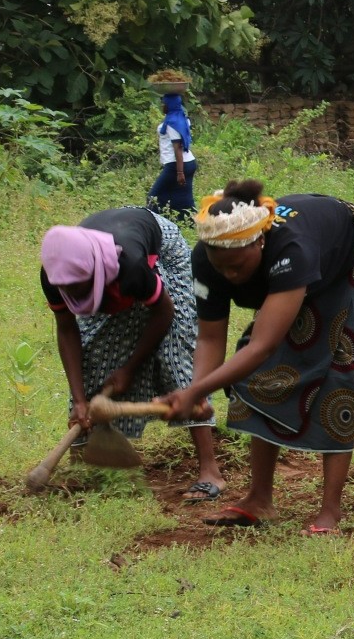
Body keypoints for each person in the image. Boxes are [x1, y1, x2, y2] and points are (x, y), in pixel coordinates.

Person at [158, 181, 354, 534]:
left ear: (260, 242)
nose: (230, 275)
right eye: (223, 268)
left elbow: (263, 345)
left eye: (237, 266)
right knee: (261, 375)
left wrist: (192, 393)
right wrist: (199, 391)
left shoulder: (290, 250)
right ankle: (259, 500)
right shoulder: (207, 260)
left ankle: (330, 511)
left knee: (342, 373)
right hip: (308, 270)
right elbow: (209, 337)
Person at [41, 206, 224, 501]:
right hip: (108, 256)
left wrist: (129, 368)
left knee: (174, 352)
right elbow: (67, 330)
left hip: (159, 248)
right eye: (68, 292)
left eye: (79, 290)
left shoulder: (131, 268)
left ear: (94, 274)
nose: (73, 296)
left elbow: (164, 312)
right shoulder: (56, 276)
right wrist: (79, 400)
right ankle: (80, 468)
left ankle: (210, 470)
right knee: (92, 352)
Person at [148, 93, 198, 217]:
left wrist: (179, 173)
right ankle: (193, 223)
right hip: (189, 162)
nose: (162, 106)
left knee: (153, 198)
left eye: (164, 104)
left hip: (176, 165)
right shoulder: (182, 119)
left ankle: (153, 225)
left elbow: (178, 148)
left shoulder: (173, 123)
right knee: (183, 200)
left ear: (169, 105)